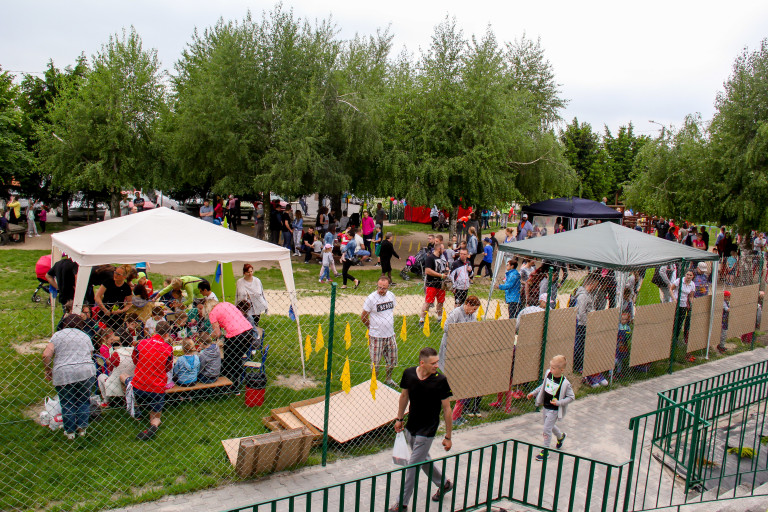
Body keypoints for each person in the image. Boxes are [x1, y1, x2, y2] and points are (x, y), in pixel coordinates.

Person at [390, 347, 453, 512]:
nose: (437, 366)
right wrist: (399, 418)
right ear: (422, 363)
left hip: (427, 431)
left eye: (437, 362)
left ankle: (402, 504)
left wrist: (448, 436)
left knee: (412, 466)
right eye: (433, 363)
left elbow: (447, 409)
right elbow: (404, 396)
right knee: (422, 460)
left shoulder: (440, 380)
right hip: (411, 427)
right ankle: (444, 484)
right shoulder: (409, 374)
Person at [42, 315, 97, 439]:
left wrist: (48, 370)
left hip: (64, 372)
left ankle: (70, 432)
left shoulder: (57, 335)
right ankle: (82, 429)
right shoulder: (85, 336)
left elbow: (46, 354)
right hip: (85, 372)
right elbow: (90, 354)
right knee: (83, 400)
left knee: (67, 402)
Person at [122, 320, 173, 440]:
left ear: (154, 330)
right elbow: (168, 367)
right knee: (156, 417)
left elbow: (135, 359)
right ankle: (153, 426)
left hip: (139, 386)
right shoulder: (168, 348)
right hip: (157, 389)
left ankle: (135, 408)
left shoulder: (141, 343)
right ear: (167, 335)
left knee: (123, 376)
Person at [527, 355, 575, 461]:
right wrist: (533, 393)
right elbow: (543, 386)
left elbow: (571, 397)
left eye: (553, 368)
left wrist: (559, 403)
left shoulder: (565, 383)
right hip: (546, 406)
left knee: (546, 429)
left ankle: (545, 451)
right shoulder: (548, 374)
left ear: (561, 370)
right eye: (550, 367)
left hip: (554, 410)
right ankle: (560, 436)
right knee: (549, 426)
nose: (551, 369)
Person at [203, 300, 257, 388]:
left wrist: (209, 336)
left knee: (229, 360)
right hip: (248, 332)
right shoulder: (227, 304)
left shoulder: (212, 313)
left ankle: (228, 383)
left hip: (235, 335)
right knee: (237, 359)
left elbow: (217, 333)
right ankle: (237, 384)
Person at [361, 276, 398, 387]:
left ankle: (388, 380)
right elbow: (363, 317)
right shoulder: (371, 298)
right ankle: (375, 382)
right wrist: (371, 327)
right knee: (376, 363)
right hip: (376, 336)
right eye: (379, 287)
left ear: (388, 287)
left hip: (390, 335)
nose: (381, 290)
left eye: (384, 288)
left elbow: (390, 312)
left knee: (392, 360)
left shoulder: (391, 296)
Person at [94, 266, 133, 330]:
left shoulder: (126, 287)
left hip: (118, 317)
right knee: (100, 330)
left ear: (124, 277)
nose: (115, 275)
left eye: (118, 274)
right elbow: (97, 296)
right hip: (104, 313)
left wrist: (121, 311)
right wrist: (104, 309)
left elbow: (129, 304)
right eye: (115, 273)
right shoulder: (108, 282)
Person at [573, 276, 598, 373]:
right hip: (581, 324)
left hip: (585, 323)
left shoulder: (588, 295)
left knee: (582, 345)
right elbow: (581, 312)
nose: (596, 288)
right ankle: (577, 366)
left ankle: (580, 364)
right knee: (579, 345)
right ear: (590, 284)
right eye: (595, 285)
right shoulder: (583, 296)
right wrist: (586, 323)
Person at [420, 243, 448, 326]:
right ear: (439, 249)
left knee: (441, 302)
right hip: (431, 284)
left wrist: (447, 271)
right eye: (442, 249)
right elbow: (427, 271)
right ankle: (422, 320)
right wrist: (440, 275)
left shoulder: (442, 258)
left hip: (441, 284)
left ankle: (439, 318)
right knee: (428, 302)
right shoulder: (430, 258)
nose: (444, 250)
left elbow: (445, 267)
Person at [670, 269, 696, 347]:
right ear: (685, 275)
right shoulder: (679, 281)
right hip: (676, 303)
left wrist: (692, 302)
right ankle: (670, 336)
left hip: (684, 305)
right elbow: (671, 289)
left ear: (693, 276)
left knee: (680, 322)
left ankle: (675, 338)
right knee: (673, 321)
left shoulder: (692, 285)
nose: (688, 276)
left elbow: (691, 296)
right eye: (687, 274)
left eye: (690, 275)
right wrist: (674, 299)